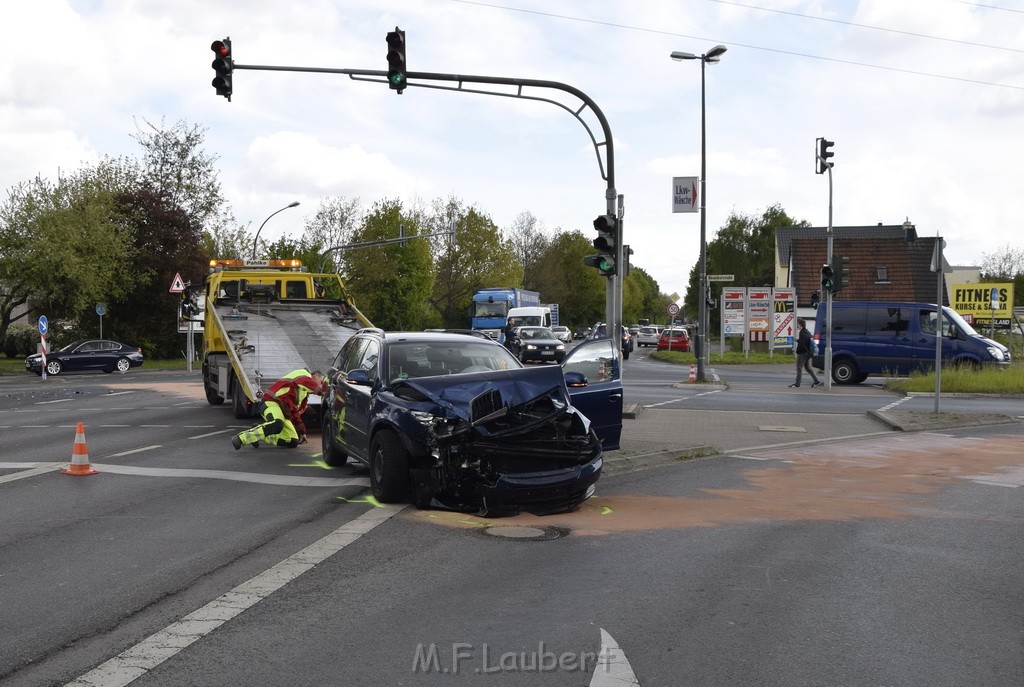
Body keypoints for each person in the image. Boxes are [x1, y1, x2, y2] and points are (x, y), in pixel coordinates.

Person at [232, 368, 326, 449]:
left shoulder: (304, 393)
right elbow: (314, 387)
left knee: (292, 441)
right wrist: (326, 390)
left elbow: (294, 413)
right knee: (277, 423)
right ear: (315, 376)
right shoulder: (304, 375)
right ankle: (242, 438)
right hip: (272, 402)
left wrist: (302, 432)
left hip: (282, 408)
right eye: (321, 382)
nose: (320, 384)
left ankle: (258, 435)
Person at [791, 319, 821, 388]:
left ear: (800, 325)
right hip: (808, 353)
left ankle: (797, 384)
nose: (797, 325)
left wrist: (798, 352)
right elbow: (805, 342)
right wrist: (797, 340)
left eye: (798, 324)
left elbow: (802, 344)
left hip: (802, 353)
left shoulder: (802, 333)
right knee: (808, 368)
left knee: (799, 367)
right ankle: (816, 381)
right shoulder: (807, 332)